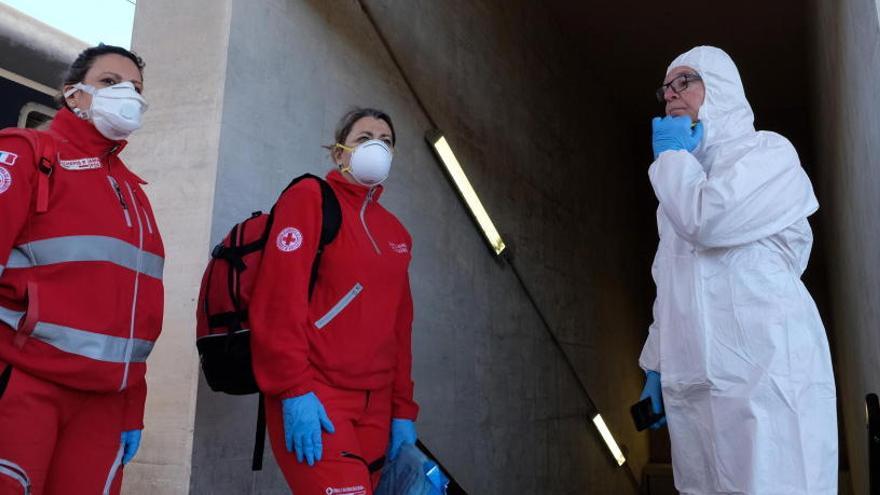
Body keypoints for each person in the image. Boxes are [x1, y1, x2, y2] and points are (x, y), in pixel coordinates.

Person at [638, 46, 837, 494]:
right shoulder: (678, 184)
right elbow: (667, 279)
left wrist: (670, 160)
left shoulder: (767, 154)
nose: (670, 95)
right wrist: (656, 364)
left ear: (721, 88)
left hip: (766, 373)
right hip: (698, 384)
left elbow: (708, 220)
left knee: (774, 480)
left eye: (684, 81)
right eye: (665, 88)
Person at [0, 45, 162, 494]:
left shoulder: (133, 192)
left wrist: (133, 407)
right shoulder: (26, 152)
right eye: (111, 82)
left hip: (104, 407)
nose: (127, 94)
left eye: (136, 88)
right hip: (24, 387)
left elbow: (137, 314)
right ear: (74, 94)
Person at [250, 108, 419, 494]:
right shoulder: (310, 198)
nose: (376, 145)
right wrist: (293, 390)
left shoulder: (397, 233)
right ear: (339, 153)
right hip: (317, 396)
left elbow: (400, 330)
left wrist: (402, 411)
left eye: (386, 141)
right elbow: (278, 300)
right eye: (364, 138)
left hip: (377, 409)